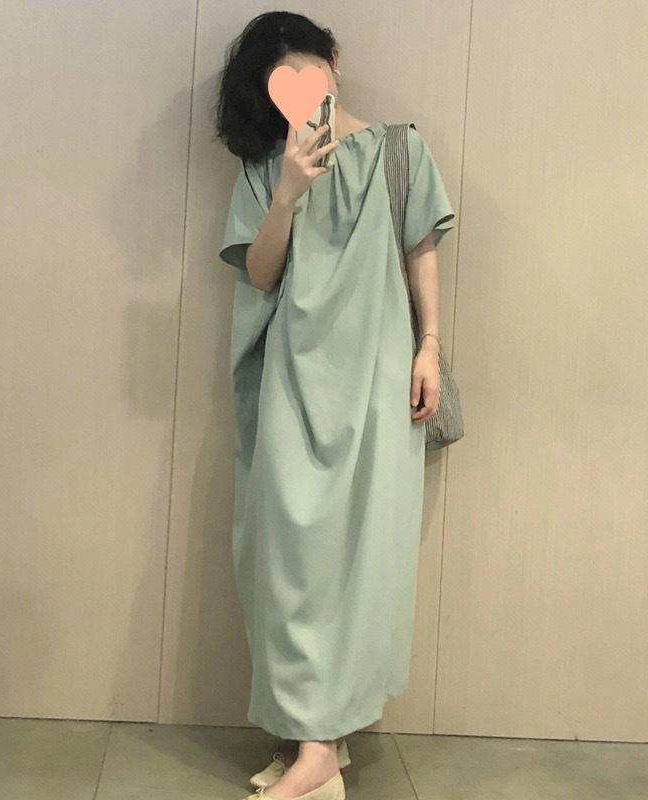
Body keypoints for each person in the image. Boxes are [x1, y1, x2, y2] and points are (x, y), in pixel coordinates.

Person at [215, 11, 456, 800]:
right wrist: (287, 193)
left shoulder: (399, 149)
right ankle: (310, 739)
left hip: (379, 380)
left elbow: (421, 249)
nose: (298, 92)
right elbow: (259, 275)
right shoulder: (266, 166)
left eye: (306, 72)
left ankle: (319, 748)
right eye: (279, 83)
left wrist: (429, 347)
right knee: (286, 559)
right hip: (292, 379)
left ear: (335, 62)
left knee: (361, 559)